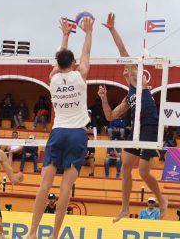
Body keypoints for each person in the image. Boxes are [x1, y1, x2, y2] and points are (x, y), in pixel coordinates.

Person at [27, 16, 93, 239]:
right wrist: (88, 32)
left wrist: (65, 35)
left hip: (58, 133)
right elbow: (86, 55)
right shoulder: (80, 75)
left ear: (59, 64)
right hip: (77, 135)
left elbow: (60, 59)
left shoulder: (52, 79)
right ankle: (55, 236)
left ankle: (32, 232)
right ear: (73, 64)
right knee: (65, 189)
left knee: (45, 185)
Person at [98, 12, 167, 223]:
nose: (125, 72)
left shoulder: (139, 82)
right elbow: (110, 117)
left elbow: (123, 51)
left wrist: (112, 29)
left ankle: (162, 201)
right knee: (126, 166)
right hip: (136, 129)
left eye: (127, 69)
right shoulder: (129, 96)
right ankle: (125, 208)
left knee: (144, 171)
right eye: (125, 72)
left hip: (150, 125)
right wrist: (103, 98)